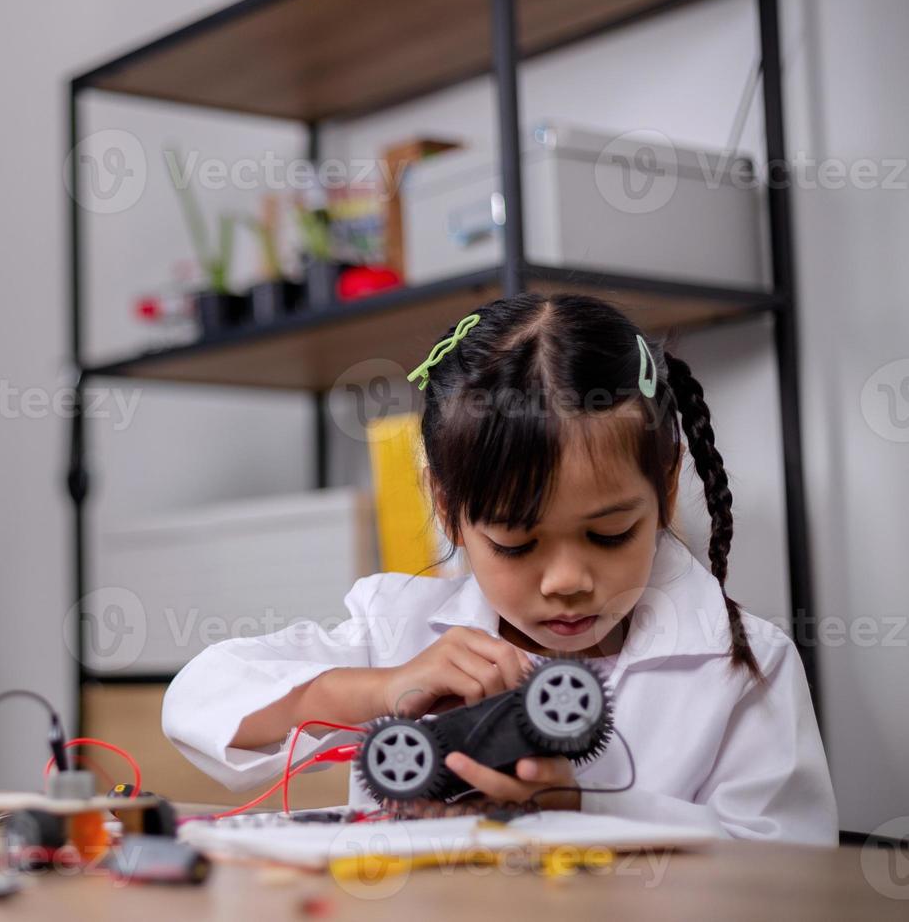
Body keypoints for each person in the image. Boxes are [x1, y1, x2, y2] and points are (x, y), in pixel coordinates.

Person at [162, 293, 837, 845]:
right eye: (517, 545)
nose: (566, 579)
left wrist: (583, 810)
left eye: (609, 533)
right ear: (449, 512)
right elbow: (197, 701)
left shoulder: (741, 663)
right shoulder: (399, 628)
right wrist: (380, 687)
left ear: (664, 488)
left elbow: (794, 867)